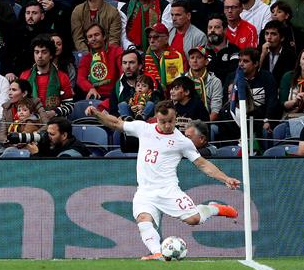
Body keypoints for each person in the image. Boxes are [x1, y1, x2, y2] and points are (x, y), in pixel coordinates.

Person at [88, 101, 240, 260]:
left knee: (194, 219)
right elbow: (116, 123)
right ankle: (157, 253)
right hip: (145, 192)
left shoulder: (182, 141)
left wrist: (226, 178)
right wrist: (97, 114)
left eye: (171, 121)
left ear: (176, 118)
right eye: (163, 121)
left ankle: (214, 208)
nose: (167, 125)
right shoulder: (143, 128)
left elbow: (202, 164)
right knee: (143, 219)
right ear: (155, 118)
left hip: (169, 191)